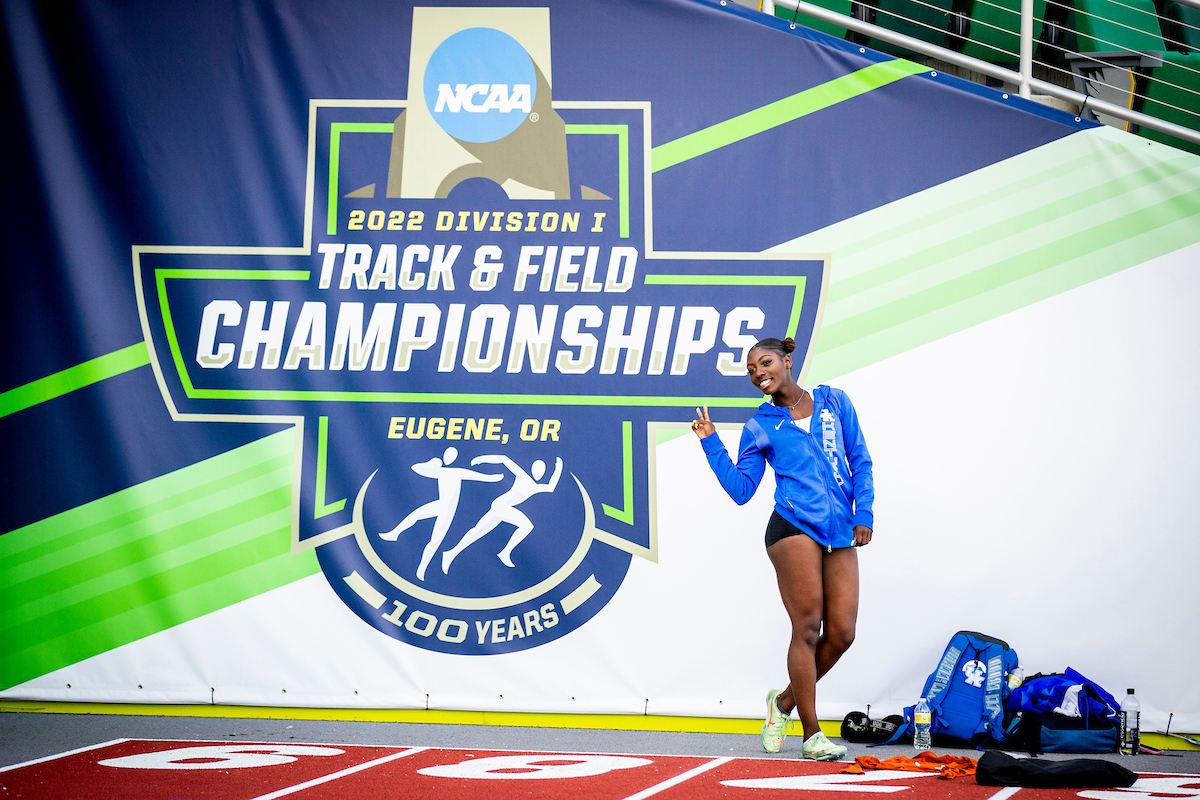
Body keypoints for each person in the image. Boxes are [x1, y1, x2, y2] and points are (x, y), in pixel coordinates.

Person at [692, 336, 874, 760]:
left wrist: (863, 513)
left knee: (843, 633)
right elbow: (742, 489)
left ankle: (784, 703)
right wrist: (710, 441)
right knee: (808, 627)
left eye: (766, 362)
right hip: (791, 526)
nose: (758, 373)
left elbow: (860, 460)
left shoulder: (834, 402)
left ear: (788, 361)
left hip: (842, 527)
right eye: (751, 370)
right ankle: (812, 736)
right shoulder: (760, 424)